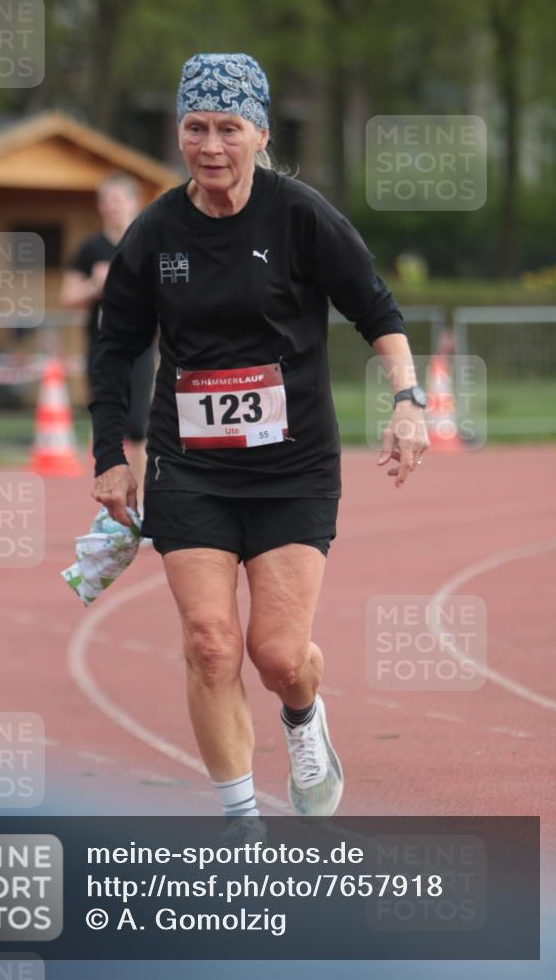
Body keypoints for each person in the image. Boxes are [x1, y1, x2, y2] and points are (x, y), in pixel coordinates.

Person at [89, 53, 429, 833]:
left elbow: (376, 312)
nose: (210, 146)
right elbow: (115, 348)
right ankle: (241, 823)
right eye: (195, 128)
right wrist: (112, 455)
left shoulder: (299, 215)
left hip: (291, 467)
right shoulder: (153, 233)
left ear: (260, 133)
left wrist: (408, 403)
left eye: (227, 129)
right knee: (210, 643)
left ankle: (304, 717)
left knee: (276, 653)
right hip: (189, 469)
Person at [60, 174, 155, 498]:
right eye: (105, 200)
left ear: (134, 202)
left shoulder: (146, 241)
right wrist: (94, 286)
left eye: (117, 199)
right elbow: (67, 296)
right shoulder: (90, 248)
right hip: (101, 344)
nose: (110, 207)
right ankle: (113, 498)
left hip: (141, 345)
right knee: (107, 421)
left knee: (138, 424)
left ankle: (141, 500)